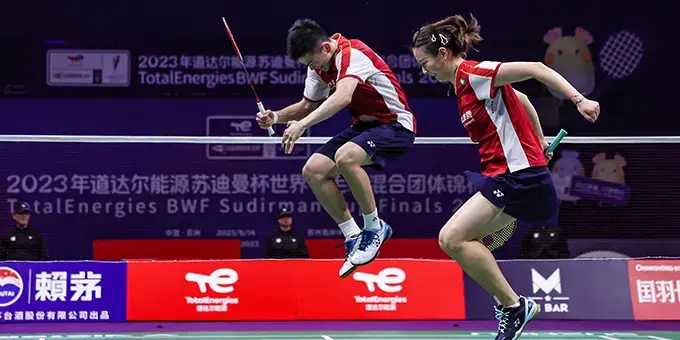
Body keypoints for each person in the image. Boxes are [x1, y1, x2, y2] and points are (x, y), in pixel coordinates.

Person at [410, 14, 599, 339]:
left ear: (442, 55)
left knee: (451, 238)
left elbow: (535, 69)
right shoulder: (462, 86)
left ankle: (513, 306)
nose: (423, 70)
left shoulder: (473, 73)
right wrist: (539, 142)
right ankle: (512, 305)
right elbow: (521, 100)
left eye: (424, 62)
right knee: (459, 241)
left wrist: (578, 99)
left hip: (515, 174)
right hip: (514, 174)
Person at [256, 19, 416, 278]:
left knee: (345, 157)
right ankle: (353, 236)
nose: (312, 67)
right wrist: (276, 117)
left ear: (326, 48)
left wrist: (302, 125)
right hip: (364, 128)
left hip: (396, 125)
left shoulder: (353, 53)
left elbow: (342, 97)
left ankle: (375, 228)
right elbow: (307, 105)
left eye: (312, 61)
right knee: (314, 170)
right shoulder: (318, 68)